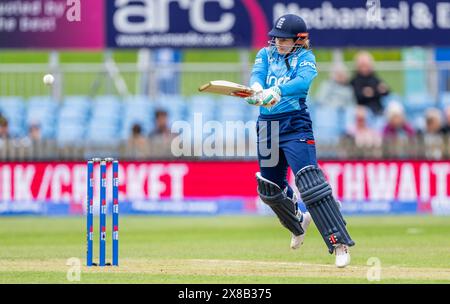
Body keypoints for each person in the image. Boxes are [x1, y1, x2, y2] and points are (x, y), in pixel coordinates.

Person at [245, 14, 354, 268]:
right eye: (277, 38)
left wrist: (277, 91)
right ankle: (298, 222)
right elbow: (257, 75)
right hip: (267, 126)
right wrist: (256, 90)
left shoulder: (306, 58)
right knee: (269, 187)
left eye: (284, 39)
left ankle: (339, 243)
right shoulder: (265, 54)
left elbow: (302, 82)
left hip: (295, 125)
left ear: (299, 39)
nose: (278, 42)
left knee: (310, 182)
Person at [350, 51, 390, 115]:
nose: (364, 68)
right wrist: (364, 94)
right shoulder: (355, 80)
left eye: (366, 65)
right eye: (362, 65)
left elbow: (385, 92)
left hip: (378, 108)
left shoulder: (375, 78)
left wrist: (384, 90)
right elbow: (356, 96)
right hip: (363, 110)